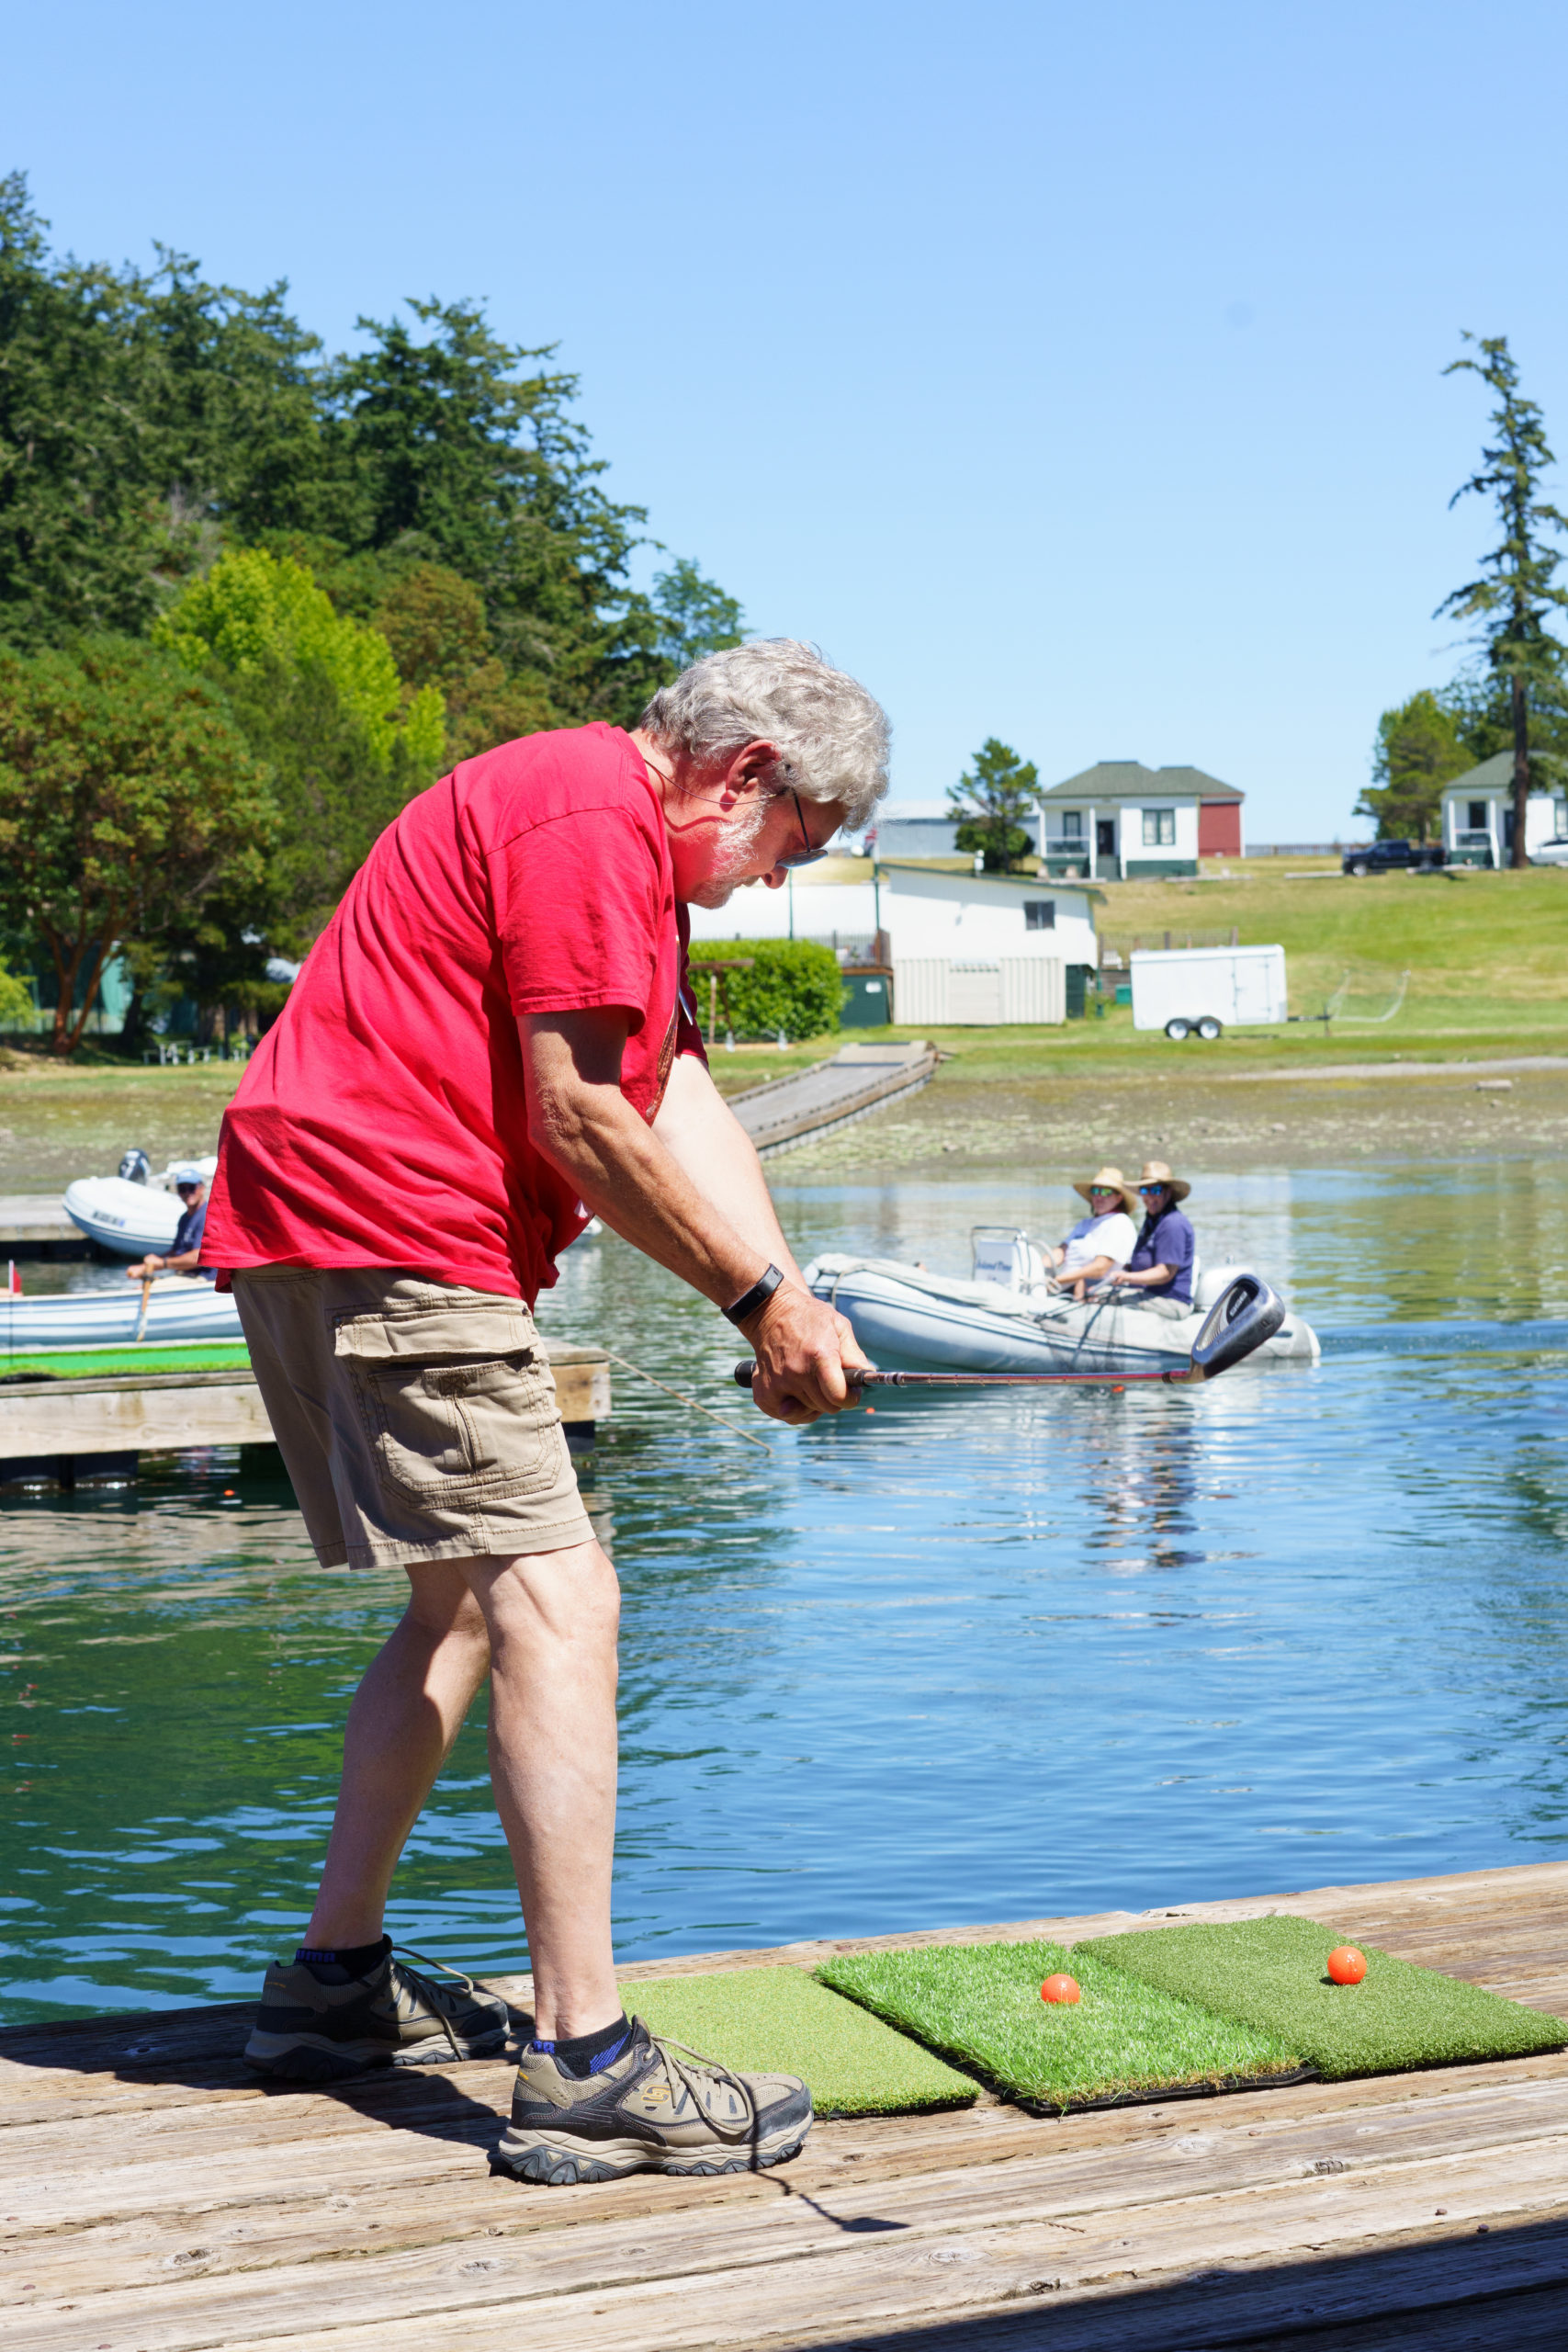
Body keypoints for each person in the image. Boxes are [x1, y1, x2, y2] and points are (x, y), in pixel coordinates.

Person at [201, 639, 887, 2188]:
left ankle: (332, 1987)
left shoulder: (610, 843)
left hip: (331, 1219)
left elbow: (676, 1097)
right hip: (393, 1224)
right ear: (747, 775)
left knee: (459, 1606)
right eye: (799, 841)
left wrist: (792, 1293)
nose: (780, 881)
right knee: (562, 1600)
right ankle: (586, 2066)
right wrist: (751, 1307)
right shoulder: (587, 816)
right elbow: (576, 1117)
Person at [1099, 1160, 1195, 1316]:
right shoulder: (1152, 1220)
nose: (1149, 1197)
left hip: (1171, 1302)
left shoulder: (1173, 1223)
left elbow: (1165, 1273)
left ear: (1168, 1192)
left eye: (1155, 1190)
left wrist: (1125, 1277)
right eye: (1144, 1190)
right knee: (1098, 1291)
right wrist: (1123, 1269)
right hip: (1147, 1295)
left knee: (1101, 1297)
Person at [1045, 1166, 1138, 1301]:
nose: (1099, 1196)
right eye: (1095, 1191)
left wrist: (1056, 1281)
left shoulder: (1120, 1222)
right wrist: (1038, 1269)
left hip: (1091, 1292)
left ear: (1119, 1198)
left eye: (1106, 1192)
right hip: (1062, 1287)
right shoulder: (1084, 1224)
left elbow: (1100, 1268)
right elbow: (1060, 1252)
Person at [125, 1166, 210, 1283]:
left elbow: (199, 1257)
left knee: (151, 1287)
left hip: (203, 1278)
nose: (187, 1193)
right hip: (184, 1276)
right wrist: (145, 1266)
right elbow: (176, 1251)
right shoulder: (184, 1219)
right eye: (182, 1189)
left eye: (191, 1188)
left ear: (202, 1188)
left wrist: (162, 1263)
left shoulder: (207, 1215)